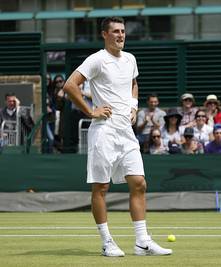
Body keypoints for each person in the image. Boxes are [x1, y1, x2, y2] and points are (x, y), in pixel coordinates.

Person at [62, 17, 171, 257]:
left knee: (139, 183)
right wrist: (91, 111)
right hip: (104, 131)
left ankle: (142, 242)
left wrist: (133, 106)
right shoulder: (97, 59)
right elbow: (70, 85)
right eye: (115, 32)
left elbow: (133, 83)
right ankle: (107, 242)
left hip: (126, 131)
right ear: (105, 34)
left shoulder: (130, 59)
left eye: (123, 31)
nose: (121, 35)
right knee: (101, 187)